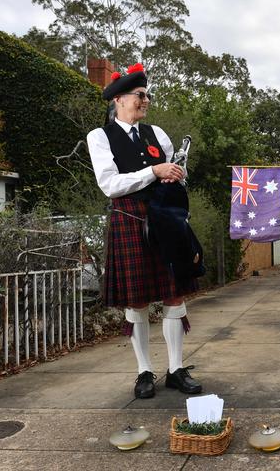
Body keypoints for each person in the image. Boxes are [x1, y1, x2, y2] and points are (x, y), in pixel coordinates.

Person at [87, 63, 202, 399]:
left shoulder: (158, 134)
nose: (146, 100)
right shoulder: (100, 136)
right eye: (140, 95)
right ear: (119, 100)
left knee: (174, 294)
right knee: (136, 302)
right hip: (129, 218)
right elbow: (110, 184)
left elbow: (173, 172)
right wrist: (154, 170)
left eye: (147, 94)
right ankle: (143, 372)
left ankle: (177, 370)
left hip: (165, 218)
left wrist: (175, 176)